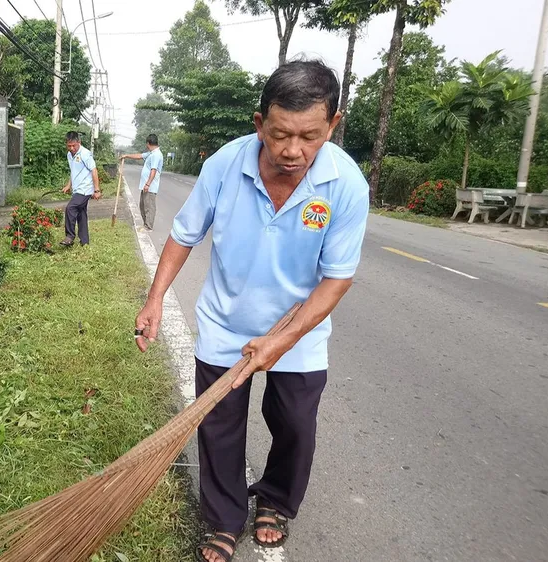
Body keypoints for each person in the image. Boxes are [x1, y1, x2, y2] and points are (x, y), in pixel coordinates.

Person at [133, 60, 368, 561]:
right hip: (225, 321)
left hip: (298, 330)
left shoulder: (346, 185)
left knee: (296, 425)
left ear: (334, 124)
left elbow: (338, 277)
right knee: (218, 425)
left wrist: (280, 342)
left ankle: (276, 501)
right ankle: (223, 518)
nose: (292, 151)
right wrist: (154, 300)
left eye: (310, 136)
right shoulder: (225, 164)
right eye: (280, 134)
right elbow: (183, 235)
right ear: (260, 123)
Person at [60, 131, 102, 247]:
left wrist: (97, 190)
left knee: (70, 208)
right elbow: (74, 171)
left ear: (79, 142)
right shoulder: (69, 155)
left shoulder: (85, 154)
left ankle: (70, 236)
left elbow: (94, 170)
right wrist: (69, 185)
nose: (72, 148)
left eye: (74, 145)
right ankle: (85, 241)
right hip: (77, 189)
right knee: (81, 214)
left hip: (85, 189)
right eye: (69, 146)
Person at [120, 134, 164, 231]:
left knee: (149, 206)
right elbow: (139, 156)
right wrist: (126, 155)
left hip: (150, 186)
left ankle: (148, 226)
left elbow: (153, 170)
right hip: (145, 185)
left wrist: (148, 184)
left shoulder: (156, 155)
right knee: (143, 205)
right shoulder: (151, 153)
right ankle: (145, 224)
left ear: (148, 143)